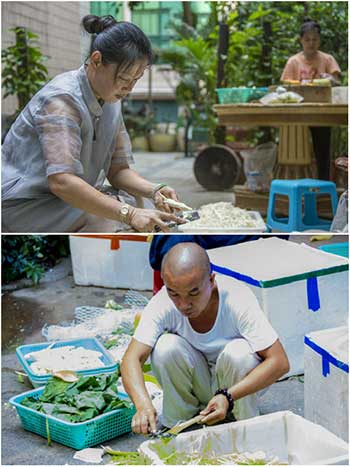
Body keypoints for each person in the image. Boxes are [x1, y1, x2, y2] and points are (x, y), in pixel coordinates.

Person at [2, 15, 184, 233]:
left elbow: (118, 171)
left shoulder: (110, 99)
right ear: (96, 60)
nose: (129, 88)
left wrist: (155, 190)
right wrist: (129, 214)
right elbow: (62, 182)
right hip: (24, 204)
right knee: (108, 217)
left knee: (137, 202)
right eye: (125, 78)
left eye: (136, 80)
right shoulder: (62, 100)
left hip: (61, 201)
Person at [121, 243, 290, 434]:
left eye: (194, 293)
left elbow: (280, 362)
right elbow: (131, 358)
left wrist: (227, 396)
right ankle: (181, 425)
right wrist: (143, 404)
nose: (183, 305)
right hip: (199, 382)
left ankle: (244, 425)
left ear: (211, 280)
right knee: (165, 347)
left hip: (236, 388)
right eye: (174, 293)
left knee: (239, 353)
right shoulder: (162, 303)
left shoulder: (237, 298)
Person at [281, 18, 341, 180]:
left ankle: (323, 184)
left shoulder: (327, 59)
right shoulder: (293, 61)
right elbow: (285, 86)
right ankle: (296, 182)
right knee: (296, 149)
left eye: (315, 39)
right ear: (301, 40)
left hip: (321, 111)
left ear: (319, 41)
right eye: (307, 39)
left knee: (322, 150)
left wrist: (330, 78)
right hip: (297, 112)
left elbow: (337, 82)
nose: (311, 43)